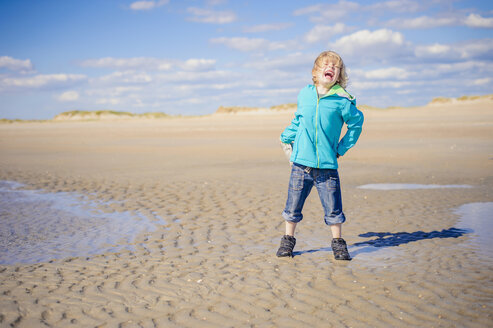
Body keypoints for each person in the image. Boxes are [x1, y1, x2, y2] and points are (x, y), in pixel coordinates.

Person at [277, 50, 364, 260]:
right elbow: (299, 120)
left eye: (336, 67)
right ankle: (287, 241)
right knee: (292, 207)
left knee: (334, 210)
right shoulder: (305, 94)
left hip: (327, 166)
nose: (331, 68)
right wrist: (285, 137)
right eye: (326, 65)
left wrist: (341, 149)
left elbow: (356, 124)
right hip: (301, 165)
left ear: (339, 75)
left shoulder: (342, 100)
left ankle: (338, 244)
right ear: (316, 72)